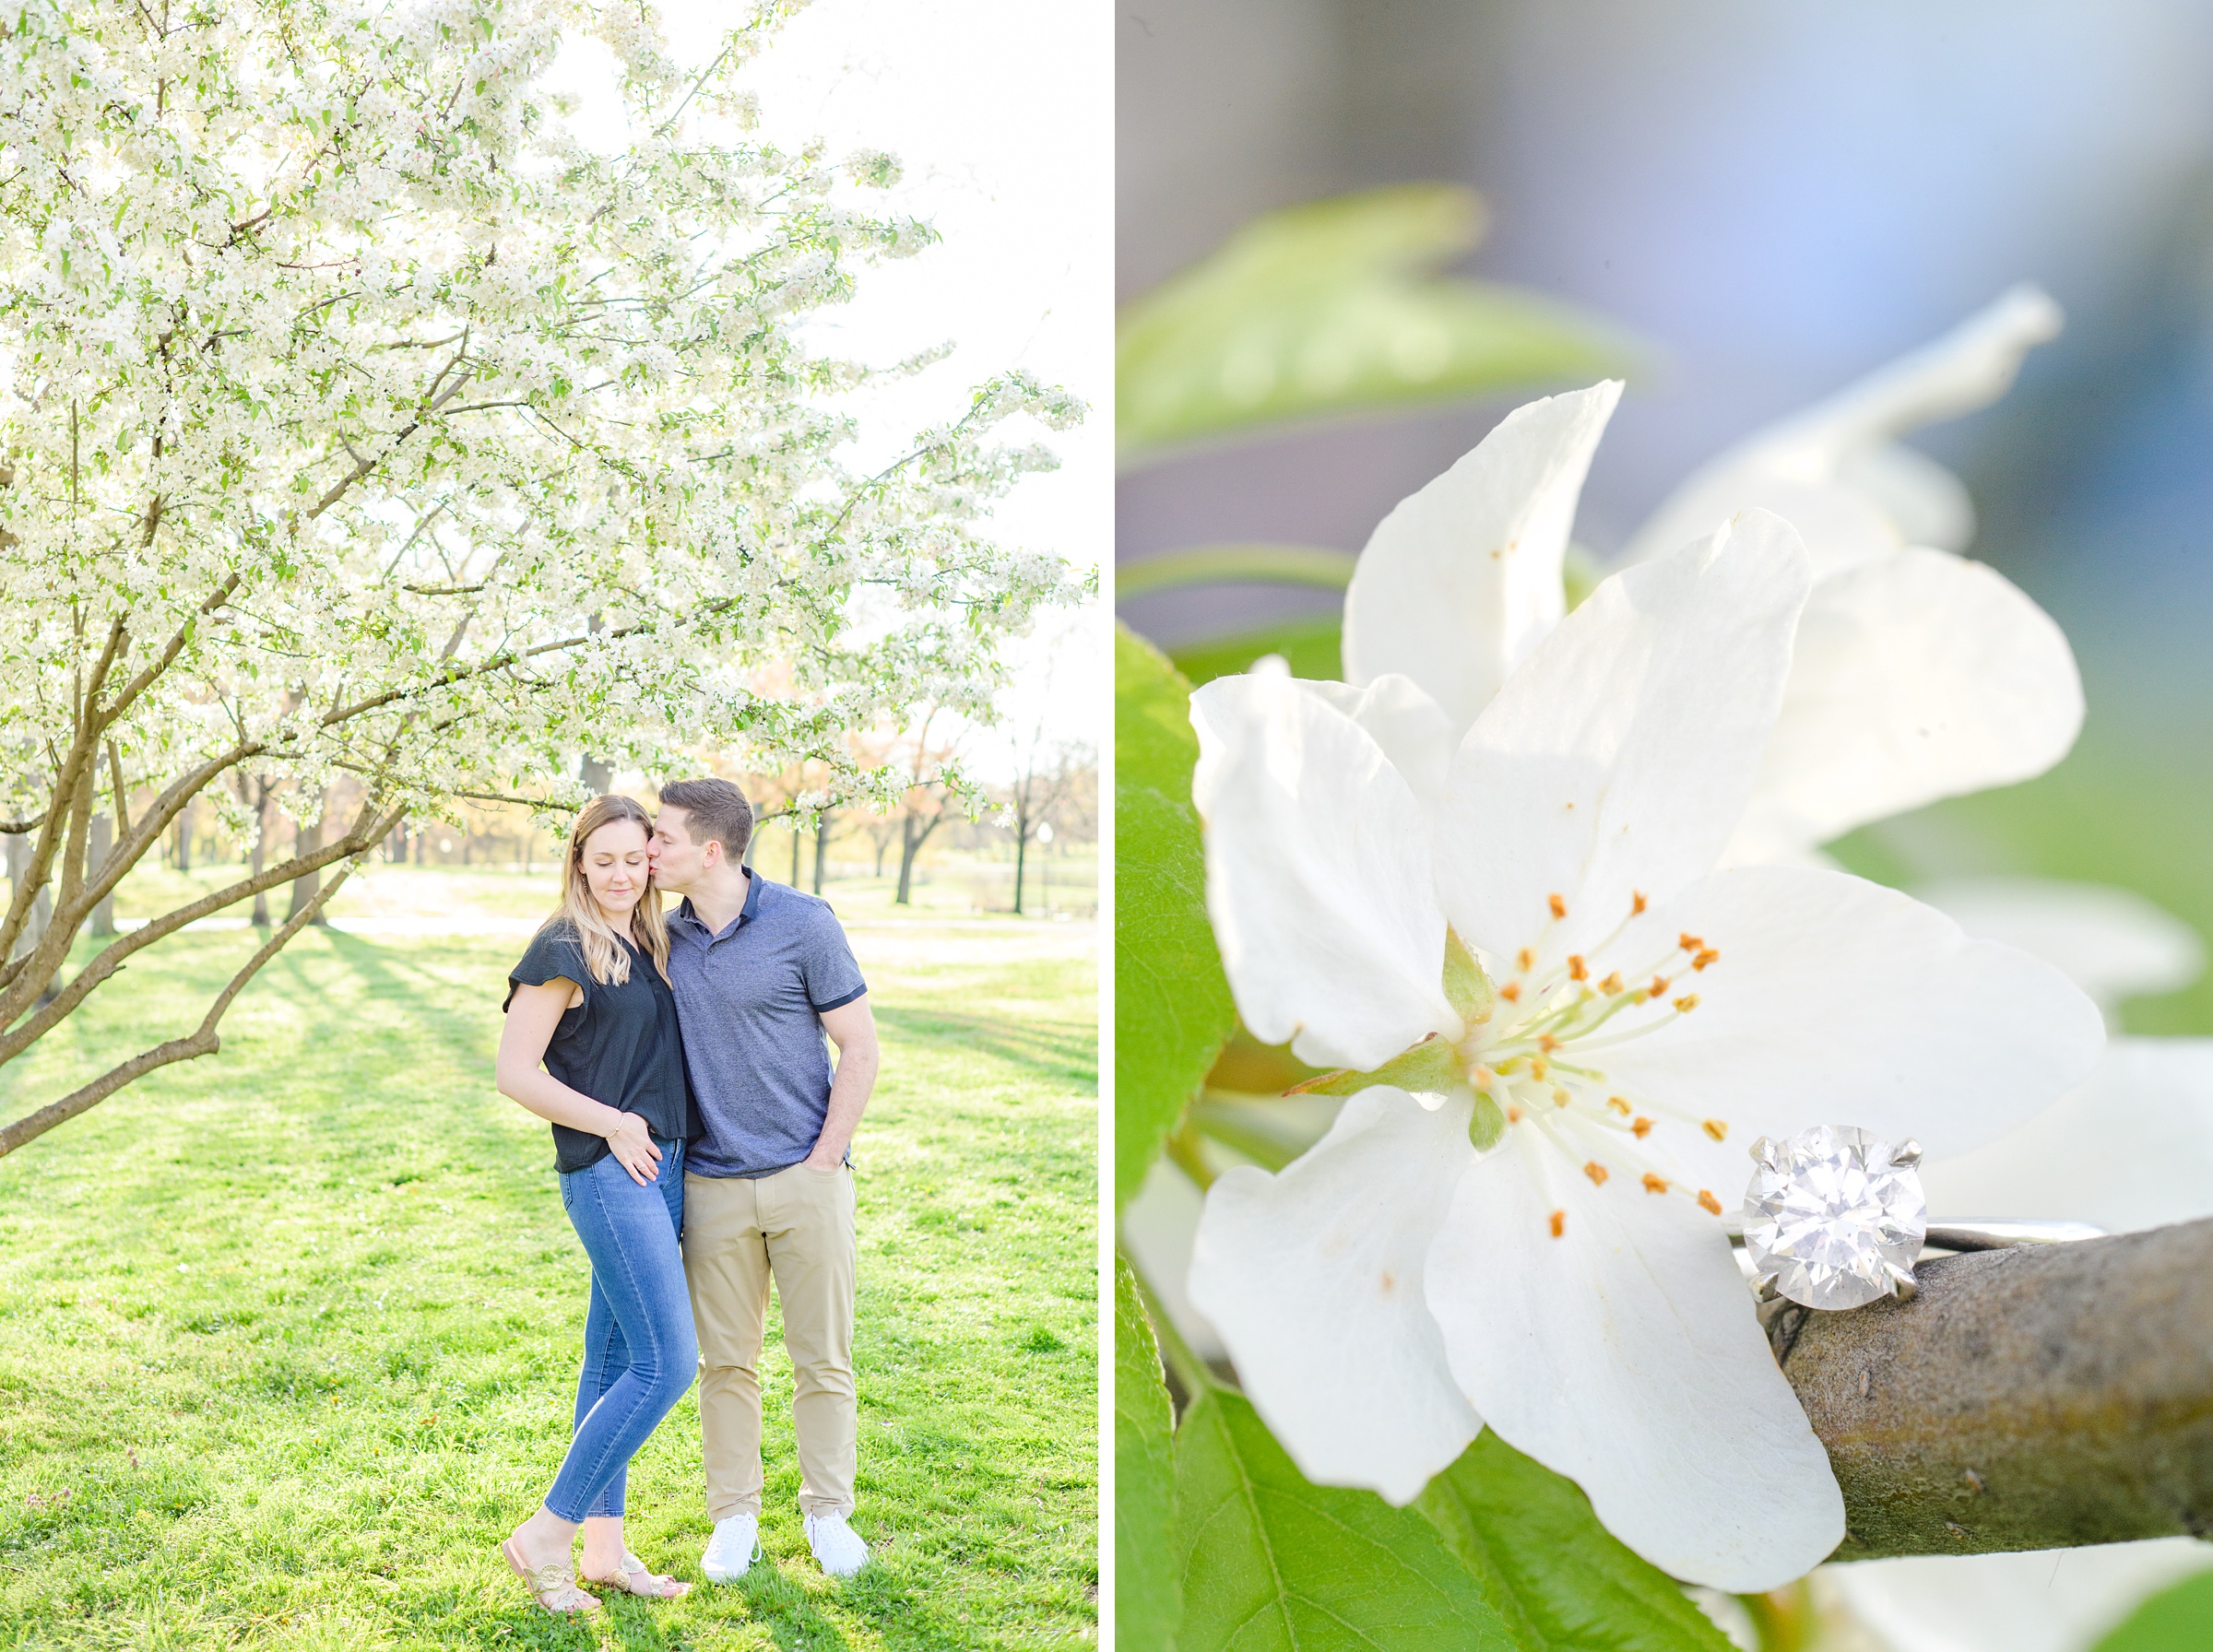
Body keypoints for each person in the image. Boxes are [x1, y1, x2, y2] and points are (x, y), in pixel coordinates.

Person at [647, 777, 882, 1581]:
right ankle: (735, 1519)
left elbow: (860, 1045)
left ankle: (828, 1515)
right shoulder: (658, 935)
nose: (651, 850)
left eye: (663, 837)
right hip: (711, 1186)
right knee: (727, 1365)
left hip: (806, 1178)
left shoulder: (804, 924)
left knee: (823, 1359)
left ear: (711, 851)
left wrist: (825, 1159)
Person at [493, 794, 702, 1614]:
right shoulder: (561, 944)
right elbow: (517, 1072)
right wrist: (613, 1125)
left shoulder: (648, 939)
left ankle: (605, 1551)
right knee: (667, 1361)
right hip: (611, 1169)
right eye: (603, 858)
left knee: (615, 1362)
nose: (620, 873)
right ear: (579, 860)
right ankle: (547, 1532)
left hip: (665, 1164)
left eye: (633, 857)